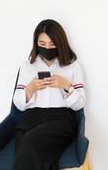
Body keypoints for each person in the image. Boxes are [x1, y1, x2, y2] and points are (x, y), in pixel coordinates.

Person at [13, 19, 86, 170]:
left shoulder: (73, 67)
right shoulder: (27, 67)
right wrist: (30, 88)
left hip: (60, 120)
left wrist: (66, 86)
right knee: (30, 150)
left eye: (52, 44)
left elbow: (80, 104)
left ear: (60, 43)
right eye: (42, 44)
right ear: (36, 43)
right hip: (30, 120)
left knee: (31, 142)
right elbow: (18, 106)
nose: (47, 48)